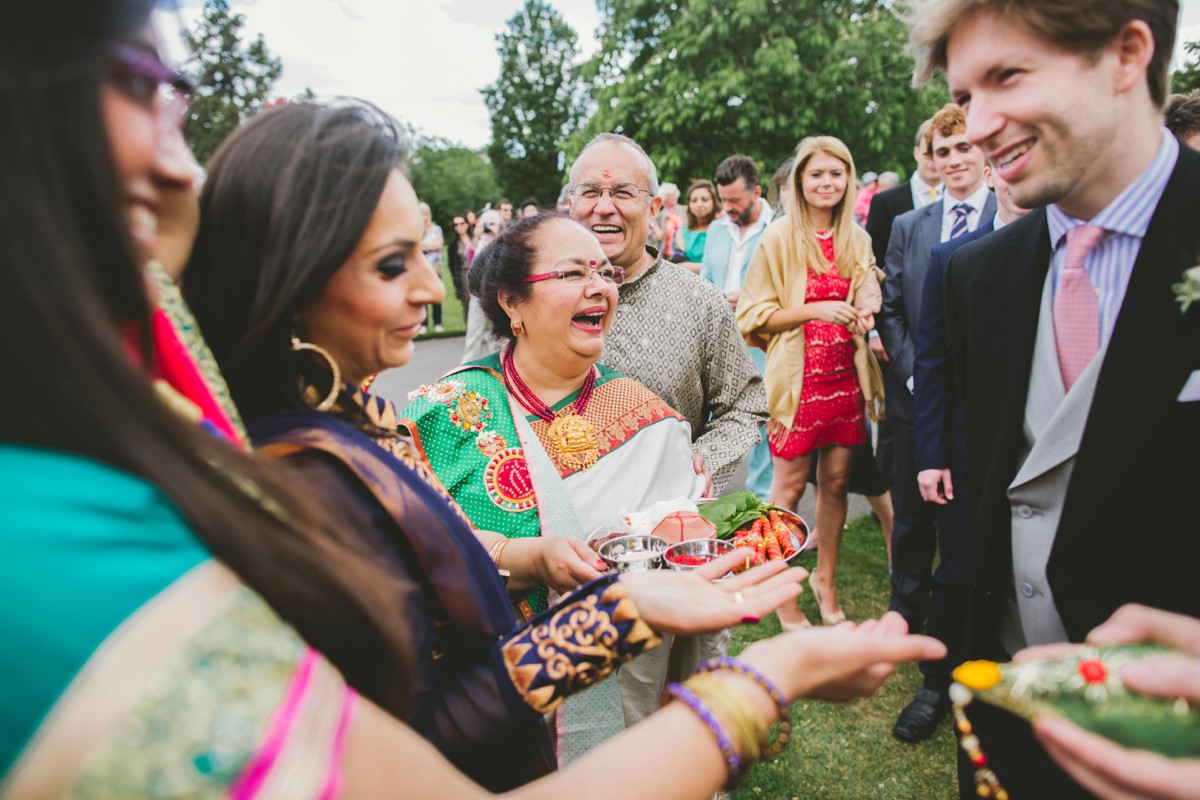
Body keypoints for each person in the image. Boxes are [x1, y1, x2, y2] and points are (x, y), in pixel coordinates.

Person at [0, 4, 949, 797]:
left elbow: (452, 639)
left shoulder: (354, 422)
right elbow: (432, 720)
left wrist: (598, 582)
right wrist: (757, 676)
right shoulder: (297, 464)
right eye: (391, 263)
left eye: (425, 252)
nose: (430, 291)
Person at [906, 0, 1198, 795]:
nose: (980, 123)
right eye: (965, 96)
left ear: (1127, 54)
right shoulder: (976, 274)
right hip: (1007, 715)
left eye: (1007, 77)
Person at [403, 212, 735, 760]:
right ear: (512, 302)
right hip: (478, 703)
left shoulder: (647, 416)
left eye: (606, 272)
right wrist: (530, 558)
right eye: (573, 273)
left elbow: (676, 559)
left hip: (620, 705)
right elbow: (408, 556)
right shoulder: (443, 414)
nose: (599, 286)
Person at [878, 102, 996, 743]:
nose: (953, 161)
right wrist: (919, 376)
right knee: (917, 521)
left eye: (963, 149)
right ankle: (919, 646)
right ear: (930, 158)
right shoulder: (912, 225)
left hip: (990, 408)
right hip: (920, 397)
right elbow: (894, 307)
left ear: (983, 153)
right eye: (942, 151)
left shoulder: (1011, 217)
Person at [736, 136, 885, 630]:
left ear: (849, 180)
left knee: (838, 484)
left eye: (837, 174)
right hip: (796, 388)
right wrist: (815, 310)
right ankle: (782, 595)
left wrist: (868, 299)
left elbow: (868, 278)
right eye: (817, 174)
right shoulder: (778, 237)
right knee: (787, 492)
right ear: (800, 180)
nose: (827, 183)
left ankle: (825, 581)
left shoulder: (855, 237)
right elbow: (752, 314)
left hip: (846, 381)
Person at [903, 165, 1028, 747]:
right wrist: (931, 456)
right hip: (960, 451)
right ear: (989, 173)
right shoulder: (955, 256)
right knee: (954, 574)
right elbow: (931, 362)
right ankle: (935, 684)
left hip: (1031, 451)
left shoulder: (1065, 249)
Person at [567, 133, 768, 495]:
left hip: (665, 520)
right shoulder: (535, 296)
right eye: (590, 192)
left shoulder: (700, 301)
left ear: (654, 209)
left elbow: (744, 405)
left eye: (623, 192)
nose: (604, 206)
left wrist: (700, 462)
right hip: (555, 529)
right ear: (571, 204)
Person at [864, 119, 942, 491]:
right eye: (928, 151)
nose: (933, 160)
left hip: (940, 326)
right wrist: (877, 330)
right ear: (916, 152)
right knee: (894, 422)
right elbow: (875, 268)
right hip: (896, 329)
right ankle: (890, 492)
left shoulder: (956, 196)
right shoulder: (887, 202)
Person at [702, 155, 776, 501]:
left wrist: (747, 299)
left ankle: (762, 500)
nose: (728, 207)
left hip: (763, 341)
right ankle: (704, 496)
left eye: (736, 200)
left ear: (757, 192)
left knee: (765, 421)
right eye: (724, 200)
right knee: (715, 420)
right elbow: (706, 279)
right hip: (720, 341)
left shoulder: (778, 229)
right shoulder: (716, 229)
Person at [675, 179, 718, 273]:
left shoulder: (722, 230)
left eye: (704, 200)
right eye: (694, 200)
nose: (699, 204)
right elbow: (677, 266)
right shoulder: (682, 232)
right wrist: (711, 267)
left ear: (714, 202)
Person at [419, 201, 445, 333]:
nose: (424, 215)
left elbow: (439, 245)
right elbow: (415, 245)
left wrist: (424, 245)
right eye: (421, 213)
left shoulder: (436, 228)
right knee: (422, 296)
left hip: (435, 266)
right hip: (420, 267)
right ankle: (423, 324)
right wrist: (429, 244)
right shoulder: (416, 229)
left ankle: (438, 322)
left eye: (425, 213)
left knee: (435, 294)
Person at [447, 211, 473, 316]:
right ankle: (470, 330)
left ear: (466, 224)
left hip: (479, 273)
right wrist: (457, 286)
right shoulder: (453, 246)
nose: (459, 226)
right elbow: (452, 268)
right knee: (467, 304)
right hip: (464, 277)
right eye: (456, 224)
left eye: (461, 223)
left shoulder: (475, 238)